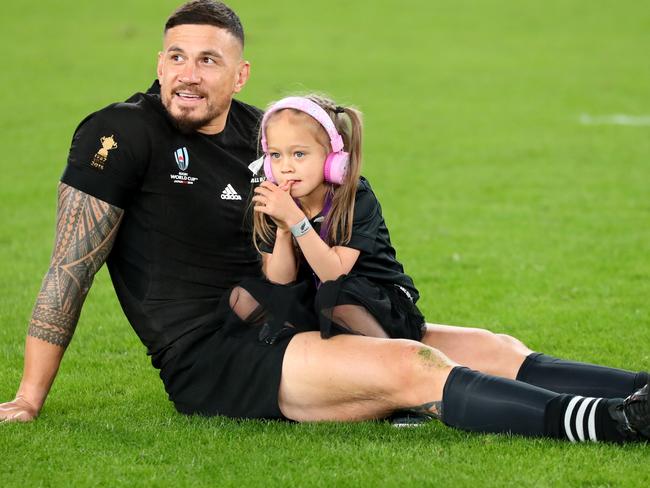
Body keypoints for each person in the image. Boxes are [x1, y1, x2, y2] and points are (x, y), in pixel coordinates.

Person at [1, 0, 649, 444]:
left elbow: (335, 224)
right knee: (415, 370)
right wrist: (31, 397)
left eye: (207, 60)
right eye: (175, 57)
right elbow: (69, 267)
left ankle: (641, 394)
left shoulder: (267, 133)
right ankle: (614, 423)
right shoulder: (120, 132)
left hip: (298, 312)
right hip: (215, 353)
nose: (186, 75)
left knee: (495, 348)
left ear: (240, 73)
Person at [248, 94, 425, 343]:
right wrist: (284, 230)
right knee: (246, 296)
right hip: (322, 301)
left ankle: (392, 366)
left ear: (334, 159)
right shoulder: (281, 202)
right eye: (276, 155)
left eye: (299, 154)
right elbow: (280, 280)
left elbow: (333, 274)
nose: (285, 166)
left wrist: (296, 221)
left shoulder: (355, 197)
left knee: (336, 297)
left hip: (381, 305)